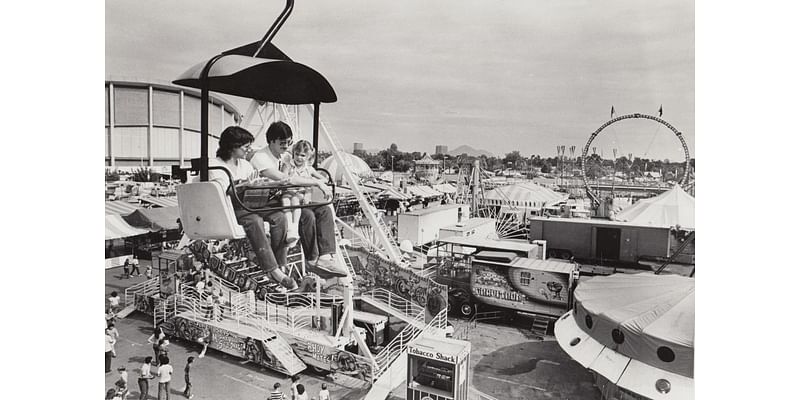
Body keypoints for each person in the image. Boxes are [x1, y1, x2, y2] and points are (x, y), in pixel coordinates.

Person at [250, 122, 347, 280]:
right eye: (283, 143)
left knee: (324, 210)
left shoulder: (285, 155)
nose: (286, 146)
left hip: (291, 196)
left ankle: (325, 256)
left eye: (288, 142)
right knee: (307, 215)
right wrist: (316, 182)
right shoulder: (261, 158)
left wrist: (317, 178)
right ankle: (311, 259)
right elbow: (286, 179)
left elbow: (304, 165)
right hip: (272, 201)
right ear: (272, 141)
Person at [208, 126, 297, 291]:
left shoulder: (245, 165)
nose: (249, 149)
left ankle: (280, 264)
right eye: (245, 146)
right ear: (232, 146)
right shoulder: (215, 165)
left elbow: (252, 183)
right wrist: (244, 185)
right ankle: (273, 270)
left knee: (279, 217)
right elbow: (222, 190)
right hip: (230, 207)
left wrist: (264, 185)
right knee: (254, 220)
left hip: (251, 203)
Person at [279, 140, 330, 247]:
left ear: (307, 157)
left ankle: (294, 227)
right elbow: (283, 178)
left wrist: (316, 182)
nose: (299, 158)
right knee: (285, 200)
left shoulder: (309, 169)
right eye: (297, 154)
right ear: (293, 153)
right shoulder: (288, 165)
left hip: (300, 194)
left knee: (295, 200)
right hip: (289, 191)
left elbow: (324, 178)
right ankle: (290, 229)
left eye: (302, 155)